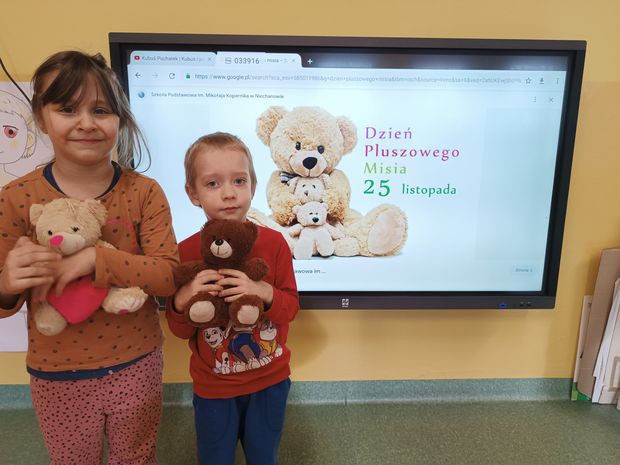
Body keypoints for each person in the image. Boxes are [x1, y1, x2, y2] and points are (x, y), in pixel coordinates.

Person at [0, 51, 179, 465]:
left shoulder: (144, 192)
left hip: (136, 363)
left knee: (136, 458)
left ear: (120, 119)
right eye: (67, 109)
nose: (86, 123)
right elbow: (4, 302)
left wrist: (95, 260)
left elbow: (168, 275)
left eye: (100, 110)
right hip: (56, 373)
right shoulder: (16, 198)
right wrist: (7, 283)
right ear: (41, 117)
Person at [166, 132, 299, 465]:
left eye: (239, 181)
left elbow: (290, 309)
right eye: (212, 184)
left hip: (270, 381)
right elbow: (179, 330)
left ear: (253, 186)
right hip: (214, 386)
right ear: (192, 194)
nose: (228, 193)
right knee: (215, 457)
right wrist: (183, 300)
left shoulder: (275, 244)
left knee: (264, 456)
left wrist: (264, 292)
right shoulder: (185, 252)